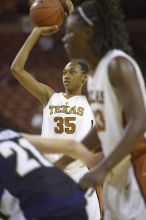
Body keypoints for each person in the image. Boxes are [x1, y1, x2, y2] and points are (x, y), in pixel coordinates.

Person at [61, 0, 146, 219]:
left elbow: (139, 121)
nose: (65, 39)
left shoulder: (118, 65)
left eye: (70, 33)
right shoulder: (95, 74)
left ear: (88, 33)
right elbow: (102, 127)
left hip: (138, 170)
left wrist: (102, 169)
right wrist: (66, 158)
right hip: (116, 174)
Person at [11, 26, 101, 220]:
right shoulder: (50, 96)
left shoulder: (92, 103)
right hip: (51, 174)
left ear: (84, 77)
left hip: (80, 174)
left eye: (72, 72)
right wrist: (36, 32)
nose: (66, 75)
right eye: (64, 72)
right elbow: (16, 69)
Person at [0, 127, 90, 220]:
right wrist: (97, 165)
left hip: (42, 209)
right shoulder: (11, 133)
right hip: (73, 199)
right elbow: (73, 146)